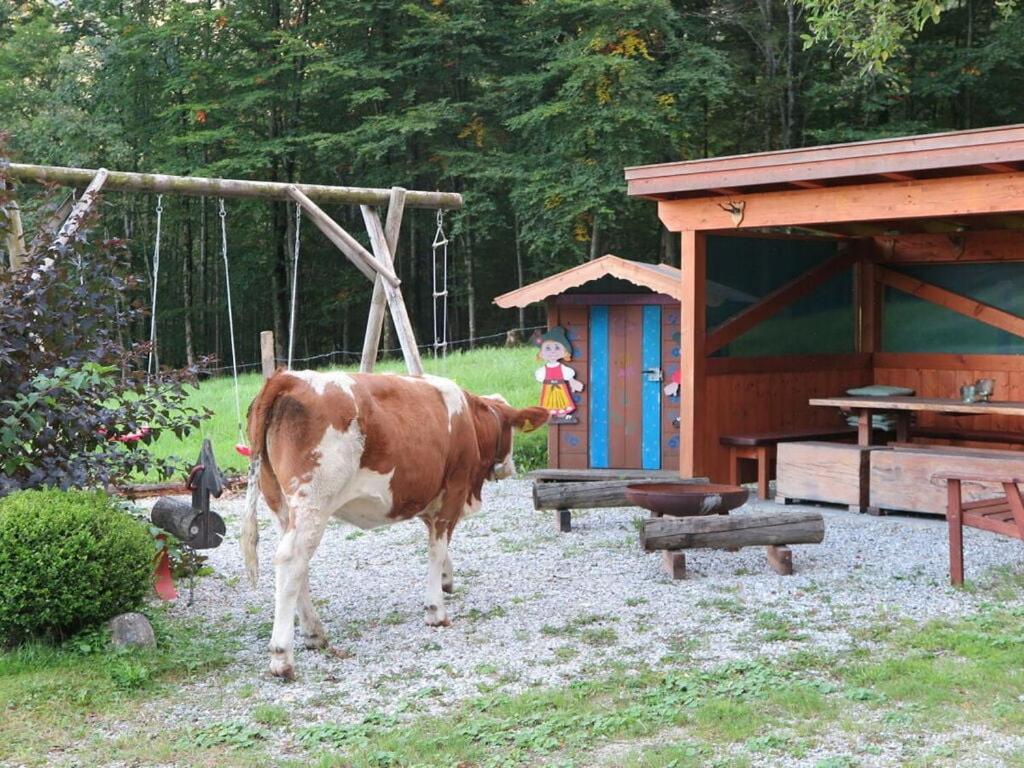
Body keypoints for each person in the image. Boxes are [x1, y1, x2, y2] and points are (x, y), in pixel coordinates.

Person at [535, 327, 584, 417]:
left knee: (561, 401)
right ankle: (550, 413)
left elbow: (569, 376)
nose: (553, 352)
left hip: (560, 387)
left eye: (557, 348)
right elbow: (540, 377)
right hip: (549, 388)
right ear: (541, 353)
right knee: (549, 401)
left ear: (564, 352)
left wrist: (573, 382)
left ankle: (561, 413)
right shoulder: (543, 370)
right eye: (548, 348)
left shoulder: (562, 368)